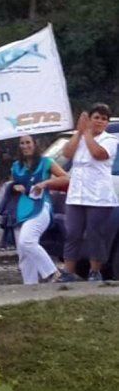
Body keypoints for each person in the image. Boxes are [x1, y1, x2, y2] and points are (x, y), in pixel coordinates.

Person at [61, 104, 119, 282]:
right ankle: (68, 272)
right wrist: (79, 133)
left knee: (96, 234)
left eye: (104, 119)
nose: (100, 121)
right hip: (77, 194)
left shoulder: (109, 139)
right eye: (97, 117)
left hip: (98, 196)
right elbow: (67, 153)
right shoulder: (80, 138)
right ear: (90, 119)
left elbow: (98, 154)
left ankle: (95, 271)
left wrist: (86, 133)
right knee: (73, 233)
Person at [10, 135, 69, 284]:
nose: (25, 146)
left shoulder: (46, 162)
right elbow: (12, 185)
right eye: (22, 143)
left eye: (28, 142)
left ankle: (52, 272)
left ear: (35, 144)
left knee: (27, 241)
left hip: (41, 206)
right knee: (23, 253)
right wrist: (15, 187)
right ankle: (30, 287)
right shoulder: (16, 166)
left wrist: (46, 183)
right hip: (20, 210)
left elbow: (65, 178)